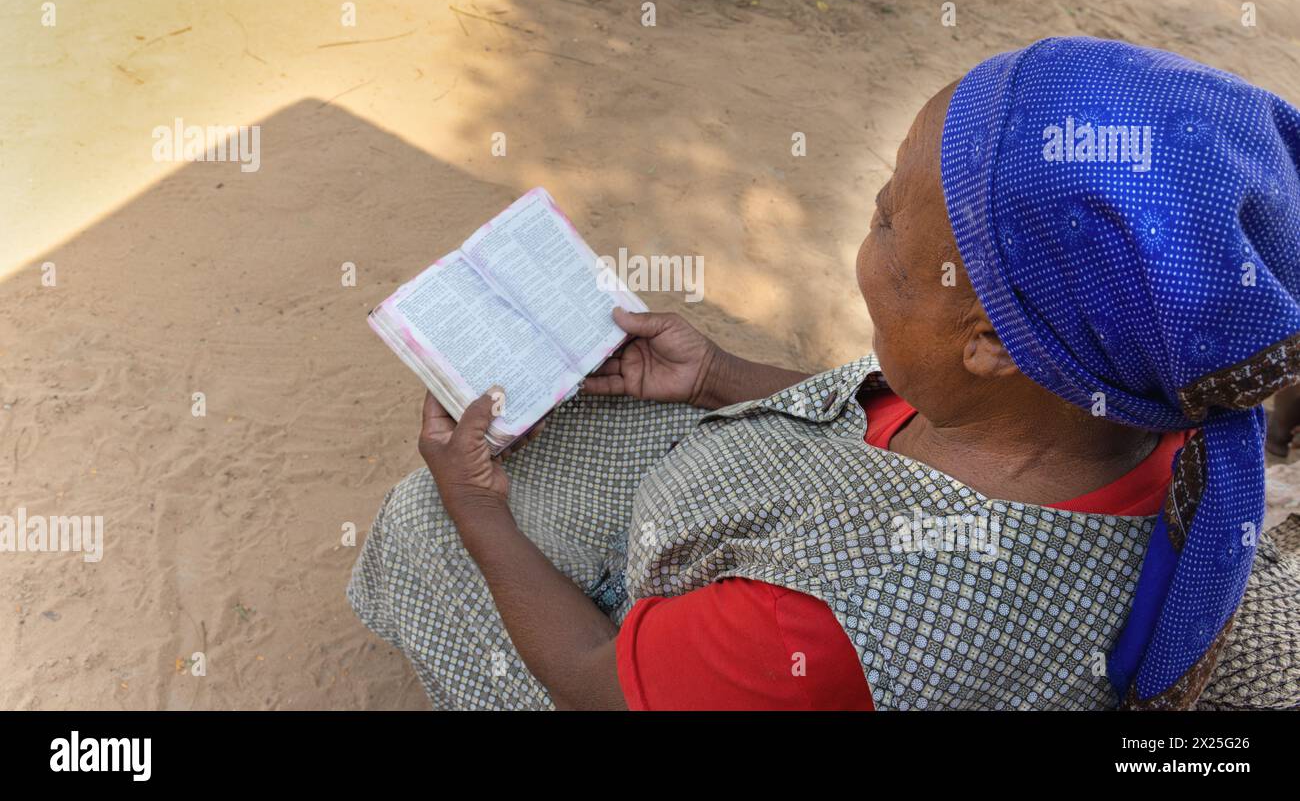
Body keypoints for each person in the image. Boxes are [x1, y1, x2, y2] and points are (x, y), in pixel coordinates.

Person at [348, 36, 1300, 710]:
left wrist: (476, 510)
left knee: (427, 524)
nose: (866, 240)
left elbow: (601, 682)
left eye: (888, 225)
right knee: (566, 429)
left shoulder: (828, 621)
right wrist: (715, 371)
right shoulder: (1150, 389)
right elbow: (877, 426)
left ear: (993, 343)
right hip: (776, 574)